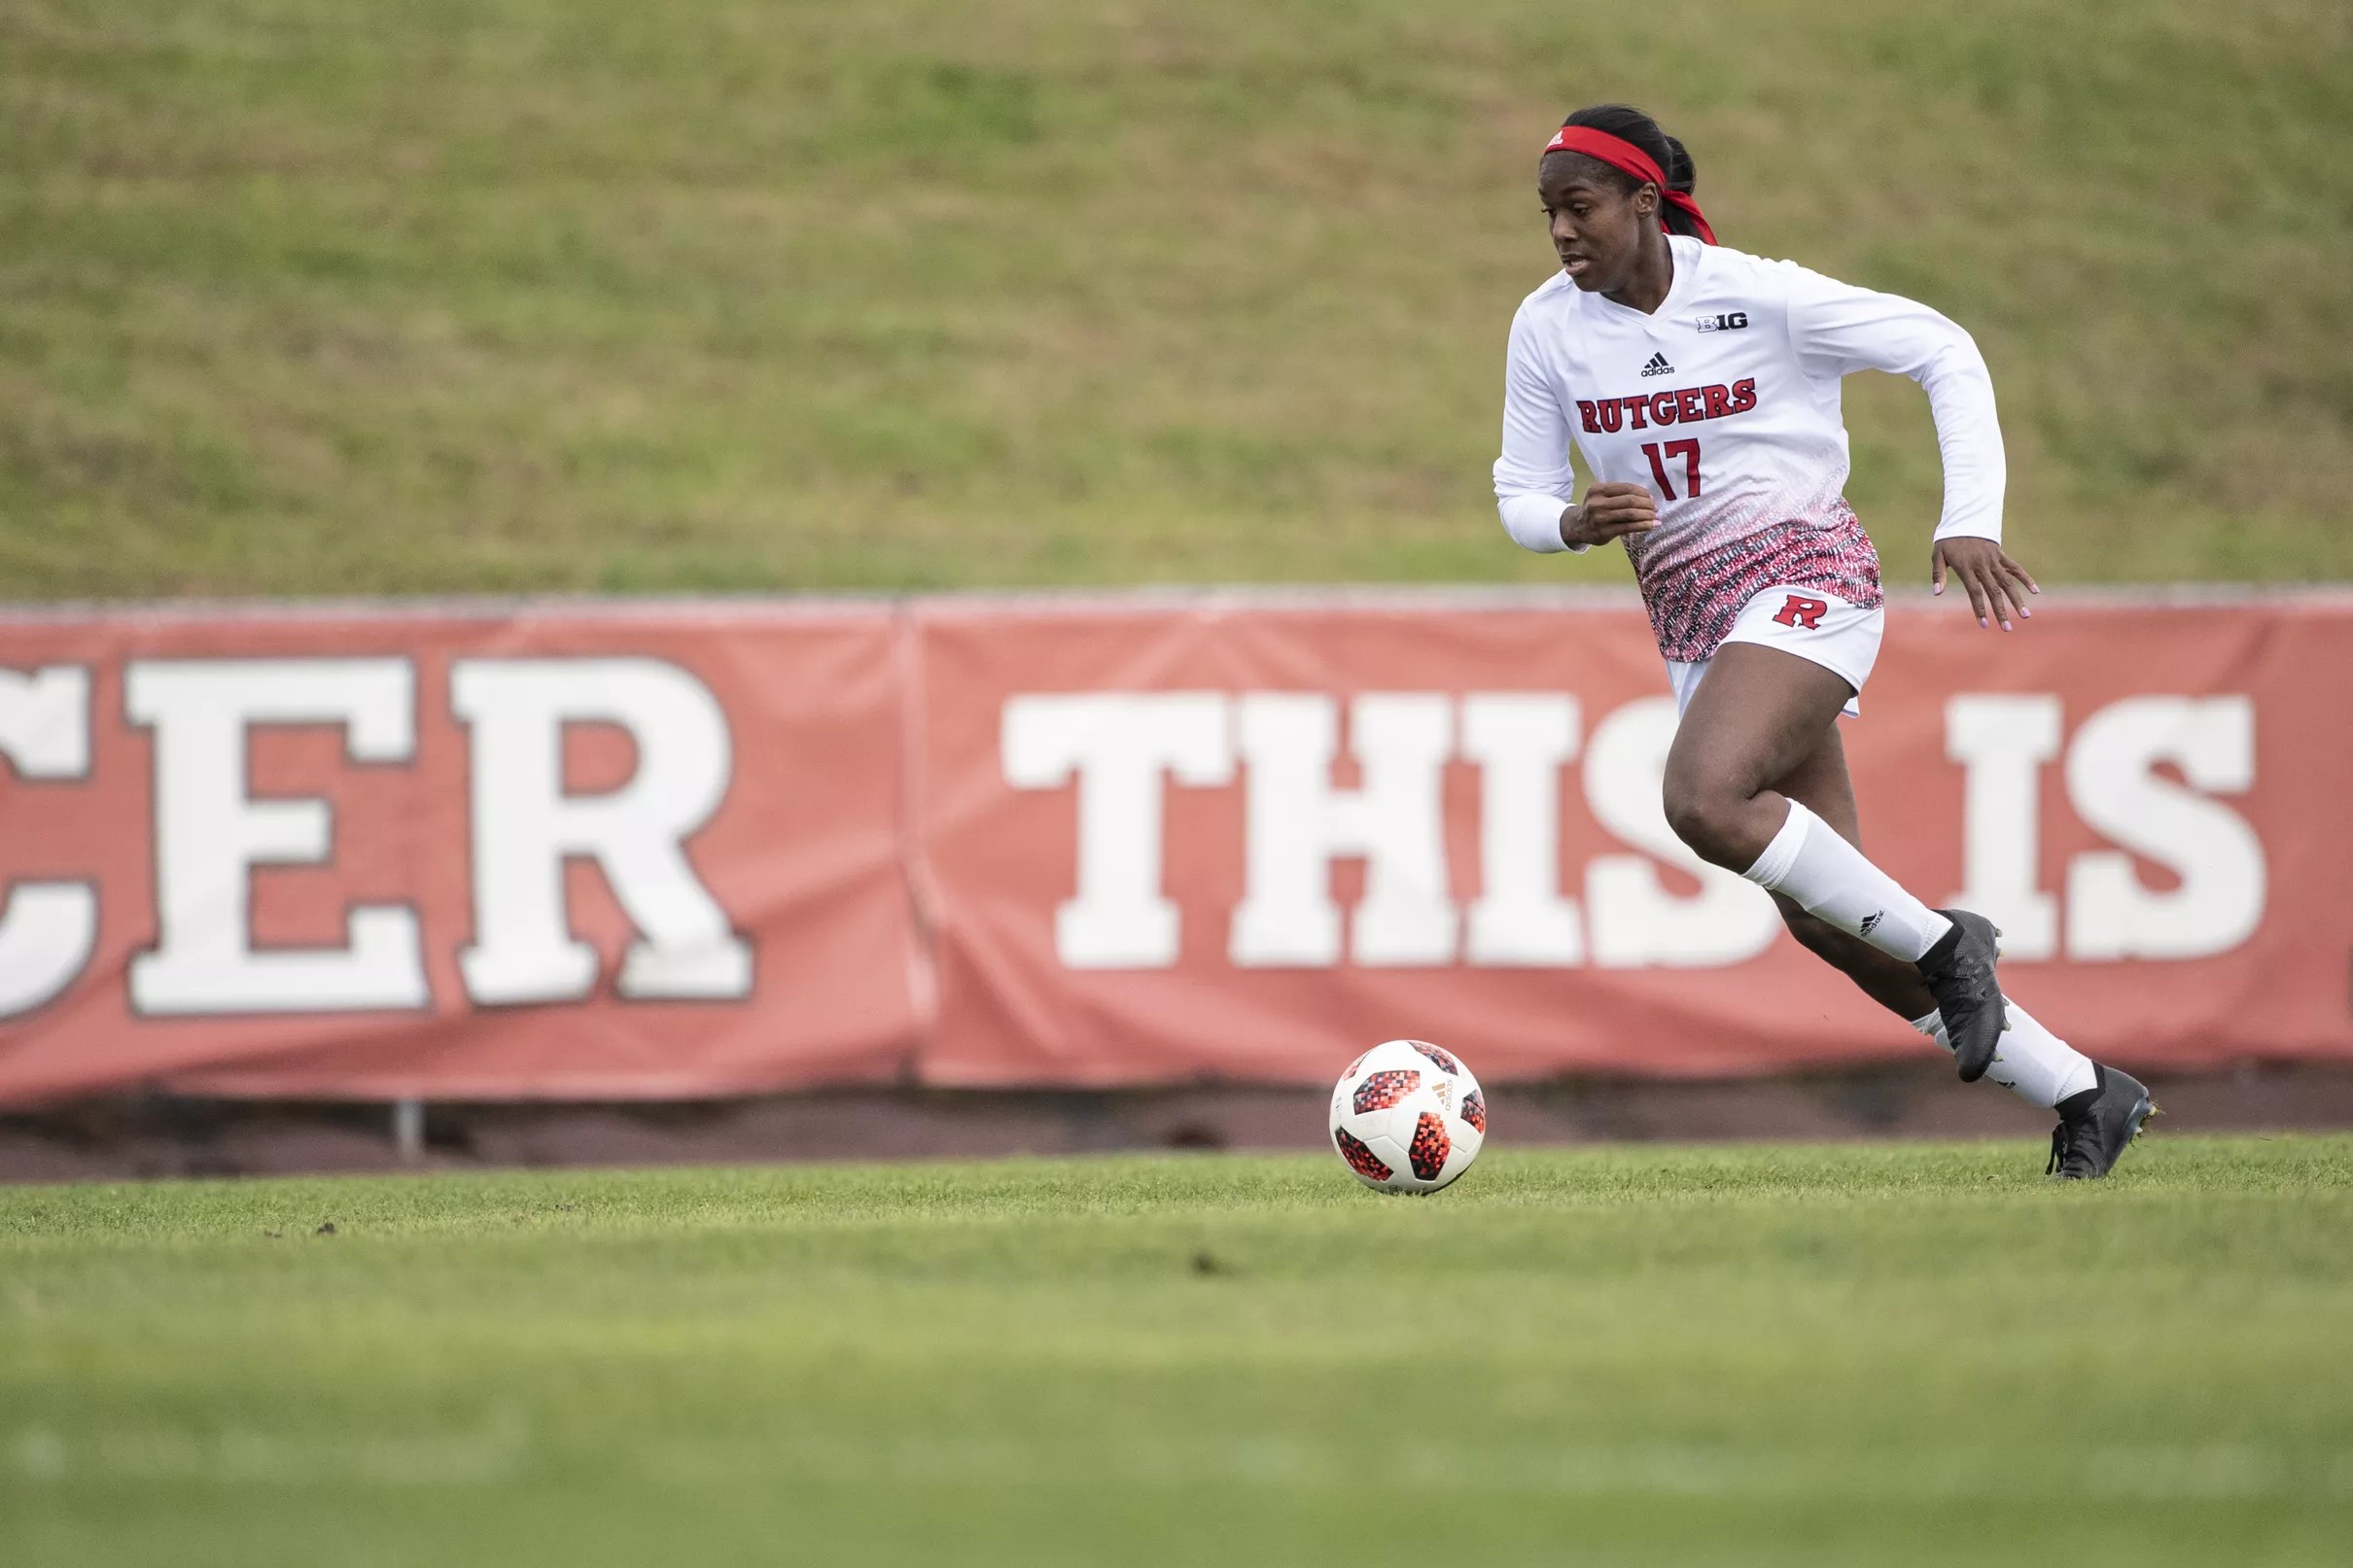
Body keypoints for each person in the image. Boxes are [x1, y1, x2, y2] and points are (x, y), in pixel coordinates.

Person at [1493, 103, 2157, 1177]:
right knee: (1830, 923)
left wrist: (1967, 517)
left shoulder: (1759, 295)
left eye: (1579, 208)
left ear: (1643, 204)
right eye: (1546, 215)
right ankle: (2083, 1091)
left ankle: (1951, 943)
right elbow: (1518, 491)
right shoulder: (1545, 327)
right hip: (1694, 620)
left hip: (1807, 580)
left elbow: (1943, 350)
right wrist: (1567, 521)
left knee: (1701, 799)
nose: (1561, 233)